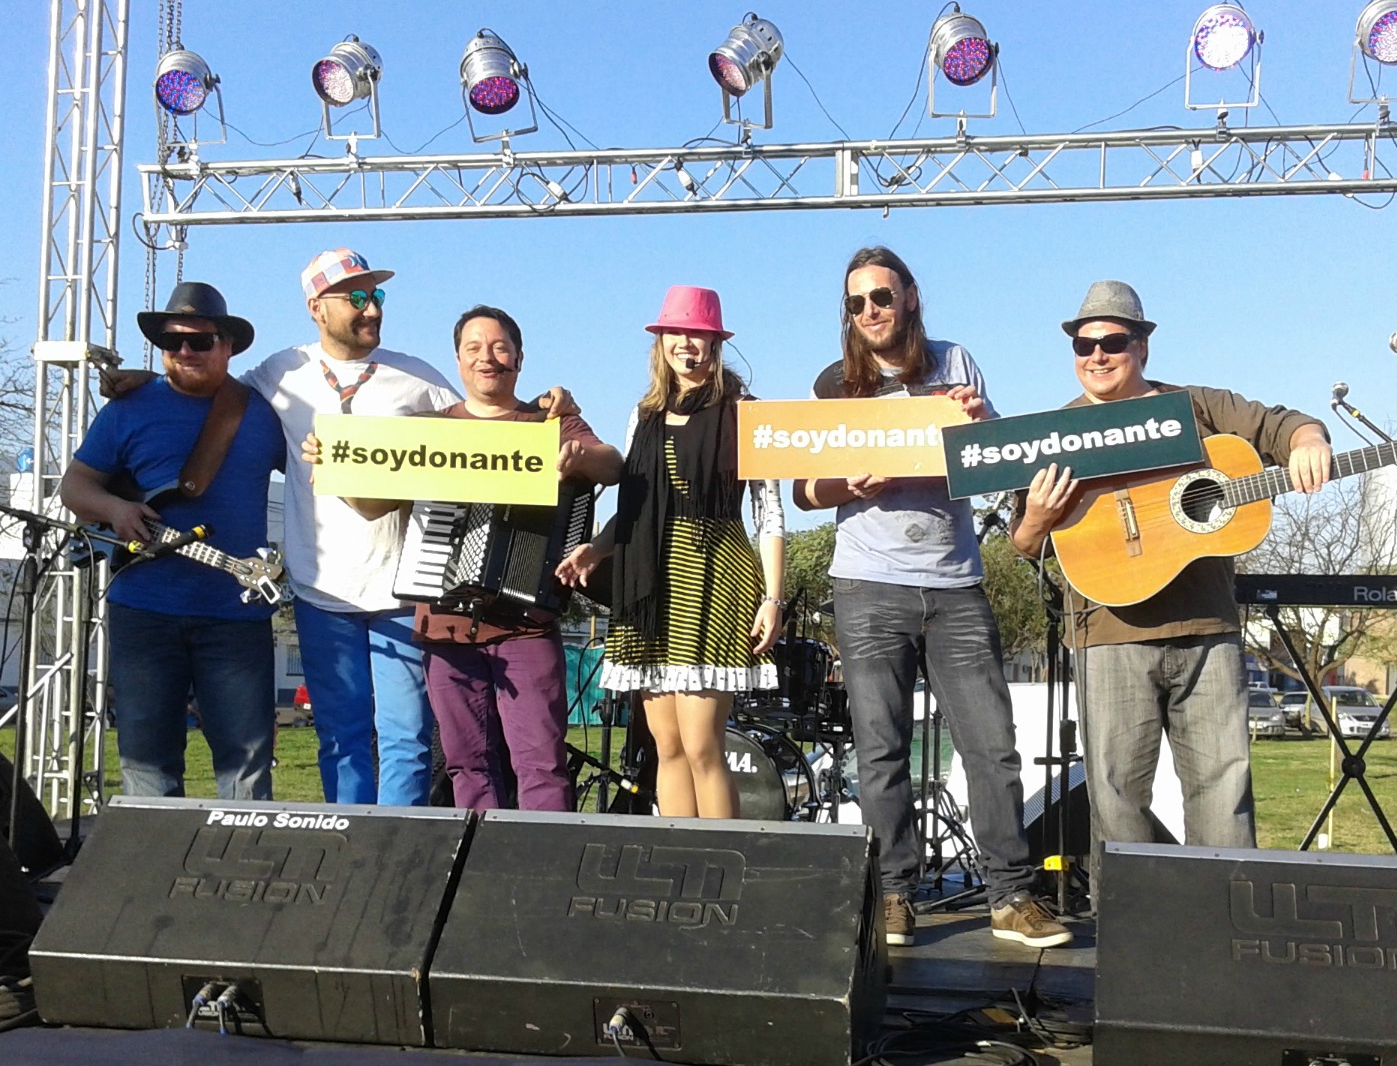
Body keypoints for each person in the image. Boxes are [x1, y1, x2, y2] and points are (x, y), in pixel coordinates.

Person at [793, 247, 1070, 950]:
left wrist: (975, 425)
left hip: (954, 583)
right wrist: (848, 486)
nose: (870, 311)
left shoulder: (956, 363)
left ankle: (1011, 895)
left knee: (992, 745)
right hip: (867, 584)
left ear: (911, 296)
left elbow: (998, 462)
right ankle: (893, 894)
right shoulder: (834, 384)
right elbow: (802, 489)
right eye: (856, 303)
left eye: (881, 297)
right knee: (880, 748)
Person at [1009, 279, 1331, 856]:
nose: (1097, 355)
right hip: (1108, 633)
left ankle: (1223, 908)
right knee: (1116, 798)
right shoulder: (1056, 434)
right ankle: (1129, 912)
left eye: (1113, 342)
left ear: (1142, 347)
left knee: (1223, 792)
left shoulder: (1195, 407)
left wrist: (1309, 441)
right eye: (1084, 345)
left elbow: (1284, 424)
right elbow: (1026, 544)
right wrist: (1036, 518)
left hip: (1207, 629)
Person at [556, 286, 784, 819]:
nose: (686, 343)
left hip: (717, 572)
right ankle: (682, 852)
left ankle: (725, 858)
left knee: (703, 744)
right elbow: (636, 504)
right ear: (660, 342)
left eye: (697, 334)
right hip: (649, 579)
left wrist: (773, 598)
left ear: (716, 343)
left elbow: (769, 512)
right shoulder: (645, 415)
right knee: (668, 745)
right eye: (675, 333)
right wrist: (596, 549)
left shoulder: (745, 412)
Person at [241, 248, 459, 807]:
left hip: (400, 591)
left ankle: (398, 846)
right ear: (316, 307)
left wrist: (540, 411)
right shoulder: (280, 371)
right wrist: (145, 384)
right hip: (322, 592)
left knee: (407, 738)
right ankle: (351, 845)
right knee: (341, 738)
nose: (373, 309)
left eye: (377, 295)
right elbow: (215, 396)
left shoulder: (417, 378)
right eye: (357, 297)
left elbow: (480, 433)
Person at [60, 282, 286, 798]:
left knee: (247, 764)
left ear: (227, 346)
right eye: (171, 341)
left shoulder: (262, 414)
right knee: (146, 761)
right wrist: (116, 509)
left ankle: (247, 849)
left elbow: (316, 474)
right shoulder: (127, 409)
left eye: (199, 341)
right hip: (143, 610)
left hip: (236, 613)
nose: (184, 351)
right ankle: (156, 853)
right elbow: (75, 487)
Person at [406, 305, 622, 810]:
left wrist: (580, 455)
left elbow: (613, 466)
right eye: (474, 348)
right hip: (445, 625)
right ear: (458, 360)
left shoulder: (551, 421)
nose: (488, 358)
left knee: (541, 762)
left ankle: (547, 856)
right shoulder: (428, 429)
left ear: (519, 359)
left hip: (527, 624)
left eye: (500, 347)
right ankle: (478, 852)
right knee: (465, 762)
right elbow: (373, 491)